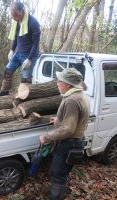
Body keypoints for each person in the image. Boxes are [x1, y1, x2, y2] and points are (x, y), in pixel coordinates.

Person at [39, 68, 90, 200]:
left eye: (59, 81)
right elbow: (73, 120)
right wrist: (58, 120)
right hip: (74, 142)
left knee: (58, 174)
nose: (57, 83)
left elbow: (68, 130)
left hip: (69, 143)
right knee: (62, 172)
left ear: (67, 84)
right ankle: (59, 194)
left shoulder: (71, 100)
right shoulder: (80, 95)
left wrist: (47, 136)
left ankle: (55, 197)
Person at [0, 1, 41, 96]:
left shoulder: (34, 23)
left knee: (25, 79)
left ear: (23, 12)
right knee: (7, 71)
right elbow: (16, 37)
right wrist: (12, 49)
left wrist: (29, 59)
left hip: (30, 55)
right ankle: (4, 93)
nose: (14, 19)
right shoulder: (16, 22)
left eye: (16, 16)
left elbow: (35, 44)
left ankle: (23, 100)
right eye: (13, 16)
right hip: (18, 53)